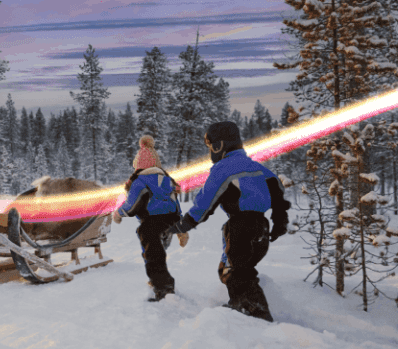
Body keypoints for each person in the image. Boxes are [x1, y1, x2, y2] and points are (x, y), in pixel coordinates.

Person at [167, 121, 290, 322]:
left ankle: (254, 311)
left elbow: (205, 202)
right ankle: (242, 305)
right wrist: (279, 222)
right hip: (262, 227)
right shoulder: (257, 168)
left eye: (210, 146)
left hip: (241, 226)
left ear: (219, 145)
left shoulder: (223, 169)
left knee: (236, 270)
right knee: (238, 269)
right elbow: (277, 192)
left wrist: (184, 224)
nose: (210, 151)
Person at [112, 135, 188, 301]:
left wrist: (118, 214)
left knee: (153, 254)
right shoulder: (167, 180)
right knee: (157, 251)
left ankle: (163, 288)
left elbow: (131, 206)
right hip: (170, 221)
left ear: (138, 166)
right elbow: (175, 203)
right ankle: (158, 280)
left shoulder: (140, 181)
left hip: (152, 223)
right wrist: (180, 225)